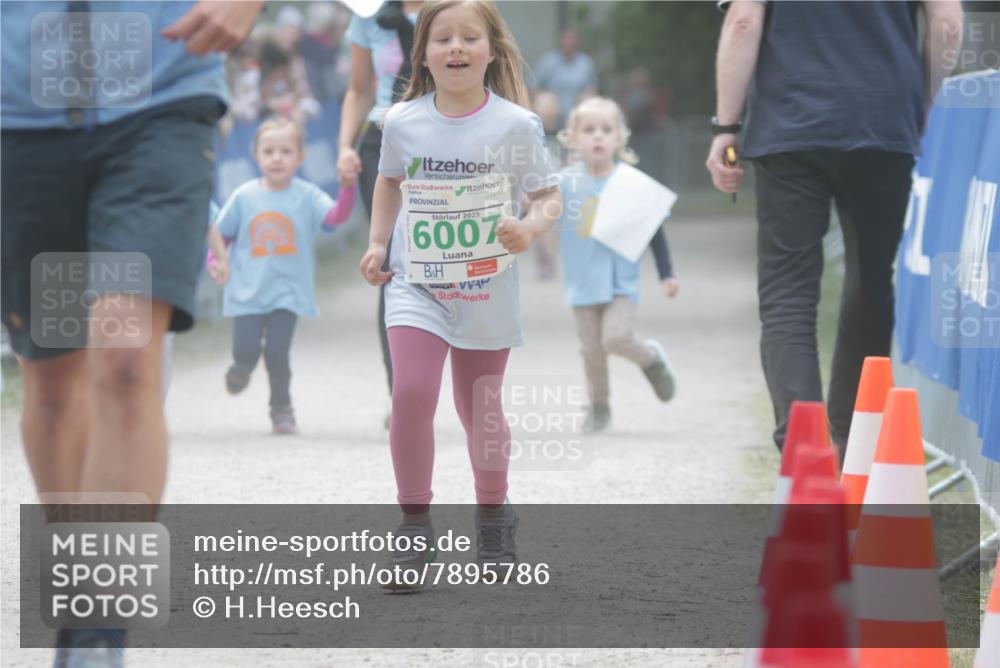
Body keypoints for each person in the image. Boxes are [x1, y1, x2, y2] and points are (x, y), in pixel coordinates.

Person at [0, 1, 263, 664]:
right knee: (56, 390)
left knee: (124, 363)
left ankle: (97, 636)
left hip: (159, 105)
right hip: (20, 123)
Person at [358, 0, 562, 590]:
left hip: (484, 287)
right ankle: (414, 527)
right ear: (421, 54)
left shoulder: (515, 126)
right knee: (412, 392)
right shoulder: (401, 121)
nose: (455, 48)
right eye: (442, 38)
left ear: (491, 51)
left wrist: (528, 227)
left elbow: (547, 197)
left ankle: (494, 516)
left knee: (480, 410)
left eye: (469, 38)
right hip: (416, 284)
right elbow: (389, 179)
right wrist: (377, 244)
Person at [705, 0, 964, 455]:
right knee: (871, 281)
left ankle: (803, 455)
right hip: (884, 122)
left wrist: (725, 126)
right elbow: (946, 23)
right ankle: (853, 441)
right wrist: (924, 102)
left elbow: (743, 21)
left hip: (790, 125)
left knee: (788, 293)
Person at [208, 118, 355, 435]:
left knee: (277, 351)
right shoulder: (244, 196)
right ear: (256, 156)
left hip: (288, 292)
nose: (277, 158)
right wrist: (215, 261)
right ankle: (241, 368)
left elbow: (335, 218)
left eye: (285, 151)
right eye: (269, 151)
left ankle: (281, 409)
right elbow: (221, 233)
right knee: (246, 350)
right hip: (248, 291)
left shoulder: (307, 195)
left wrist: (347, 187)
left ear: (300, 157)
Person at [556, 98, 679, 433]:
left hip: (620, 283)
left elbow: (655, 232)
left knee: (616, 338)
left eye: (606, 130)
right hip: (581, 283)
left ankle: (651, 359)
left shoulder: (632, 183)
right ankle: (599, 407)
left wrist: (666, 274)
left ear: (619, 139)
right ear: (574, 138)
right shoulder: (564, 183)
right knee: (592, 351)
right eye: (589, 130)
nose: (598, 137)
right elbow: (540, 213)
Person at [338, 0, 424, 428]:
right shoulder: (367, 16)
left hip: (441, 138)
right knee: (390, 261)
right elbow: (357, 89)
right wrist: (344, 147)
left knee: (449, 264)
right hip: (381, 139)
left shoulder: (462, 7)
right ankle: (402, 394)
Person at [530, 27, 598, 127]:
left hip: (576, 106)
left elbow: (592, 89)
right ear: (560, 41)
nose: (569, 42)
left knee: (588, 101)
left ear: (577, 42)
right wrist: (547, 99)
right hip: (552, 108)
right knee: (545, 101)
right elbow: (532, 86)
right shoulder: (548, 61)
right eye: (566, 38)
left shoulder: (585, 63)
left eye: (572, 39)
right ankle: (548, 137)